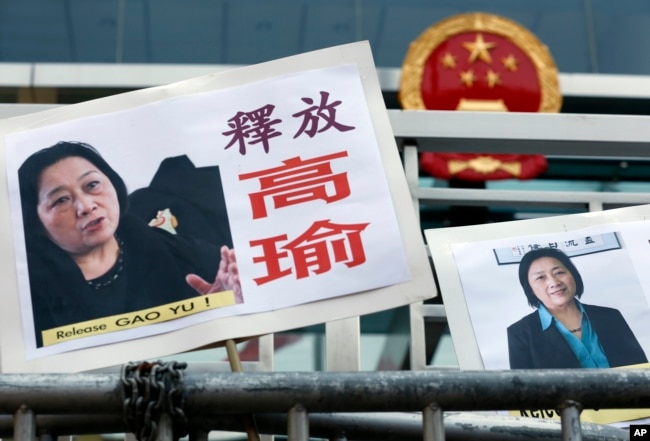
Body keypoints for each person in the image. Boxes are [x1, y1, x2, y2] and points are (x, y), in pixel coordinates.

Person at [18, 141, 241, 347]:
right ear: (34, 221)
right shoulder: (24, 296)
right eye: (61, 200)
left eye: (92, 185)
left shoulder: (177, 251)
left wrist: (221, 311)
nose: (86, 206)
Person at [507, 247, 647, 369]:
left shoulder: (610, 316)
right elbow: (524, 392)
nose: (554, 282)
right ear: (530, 289)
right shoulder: (520, 333)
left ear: (573, 275)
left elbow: (640, 369)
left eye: (559, 272)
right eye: (540, 277)